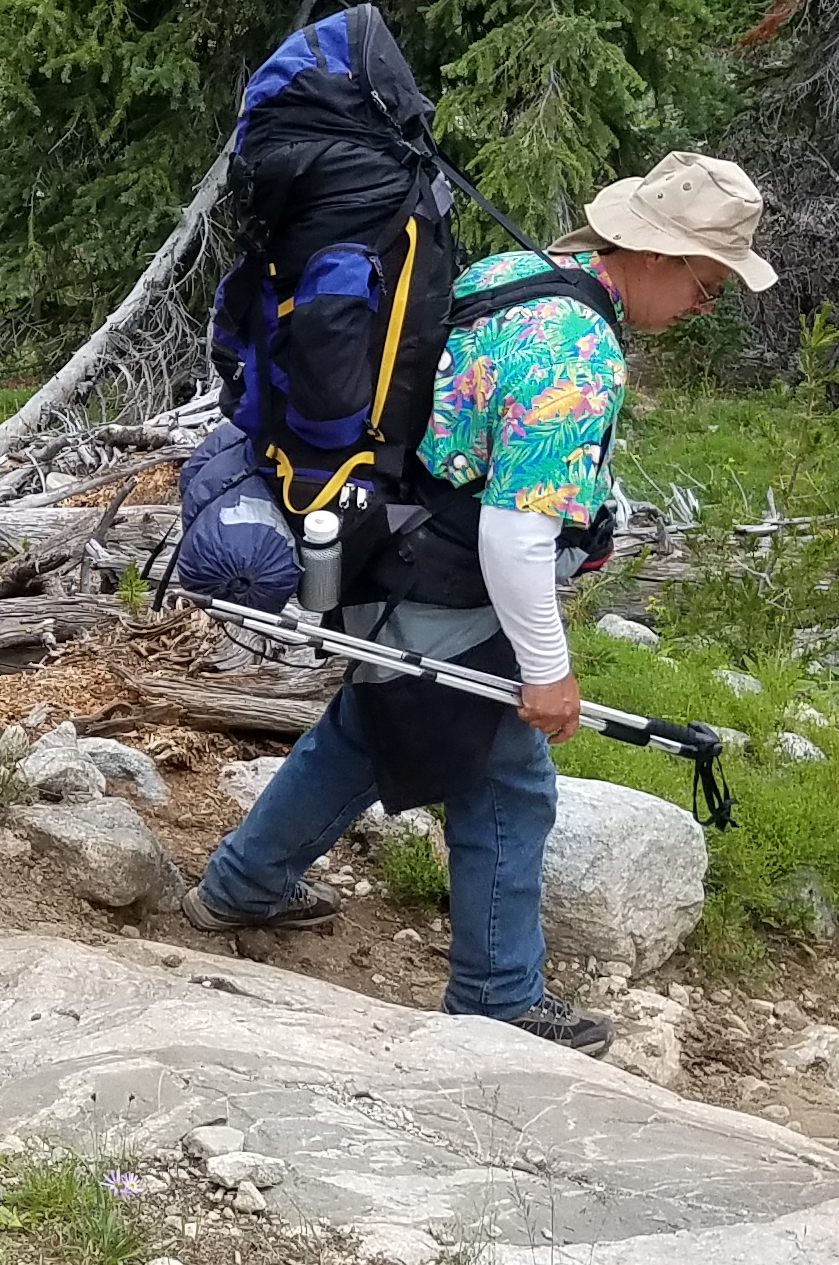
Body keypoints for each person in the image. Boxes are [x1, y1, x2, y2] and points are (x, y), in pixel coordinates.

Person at [181, 150, 777, 1051]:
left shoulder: (518, 273)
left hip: (384, 540)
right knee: (506, 778)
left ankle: (240, 887)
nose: (705, 305)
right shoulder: (578, 356)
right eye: (707, 281)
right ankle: (497, 994)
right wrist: (549, 673)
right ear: (652, 254)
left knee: (365, 729)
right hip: (453, 575)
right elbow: (513, 536)